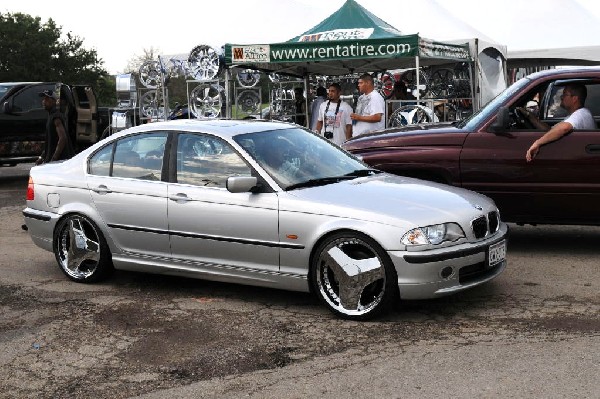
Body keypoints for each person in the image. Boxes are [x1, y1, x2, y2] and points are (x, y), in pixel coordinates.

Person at [521, 83, 595, 162]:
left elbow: (563, 128)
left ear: (574, 99)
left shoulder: (581, 114)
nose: (561, 97)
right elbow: (550, 130)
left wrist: (537, 143)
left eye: (565, 94)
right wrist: (530, 117)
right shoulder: (574, 115)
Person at [36, 90, 73, 165]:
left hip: (60, 161)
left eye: (47, 99)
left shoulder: (56, 117)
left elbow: (62, 138)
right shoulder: (51, 115)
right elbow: (50, 142)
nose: (43, 101)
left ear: (53, 101)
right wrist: (41, 157)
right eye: (43, 99)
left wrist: (54, 159)